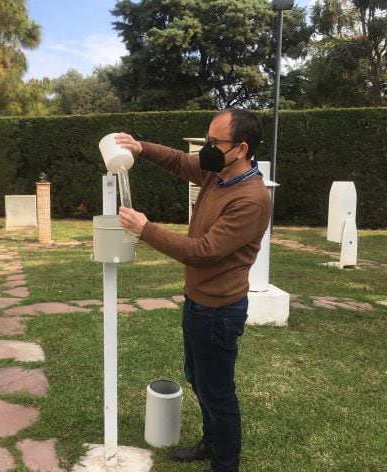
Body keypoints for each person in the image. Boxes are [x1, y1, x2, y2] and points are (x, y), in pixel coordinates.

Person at [116, 108, 271, 472]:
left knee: (218, 392)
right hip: (198, 304)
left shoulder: (250, 199)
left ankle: (225, 463)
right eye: (207, 139)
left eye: (215, 142)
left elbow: (203, 252)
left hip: (219, 312)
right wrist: (140, 147)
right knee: (199, 382)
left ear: (242, 148)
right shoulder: (217, 173)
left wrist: (145, 229)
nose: (207, 149)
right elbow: (179, 161)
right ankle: (211, 443)